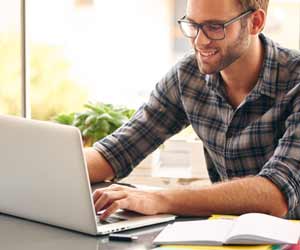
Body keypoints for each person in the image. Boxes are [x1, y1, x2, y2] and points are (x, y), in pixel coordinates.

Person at [85, 0, 300, 221]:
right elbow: (117, 152)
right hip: (229, 234)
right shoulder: (188, 75)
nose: (199, 41)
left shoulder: (295, 79)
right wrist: (53, 170)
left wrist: (157, 199)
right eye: (192, 24)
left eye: (215, 27)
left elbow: (276, 195)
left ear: (255, 22)